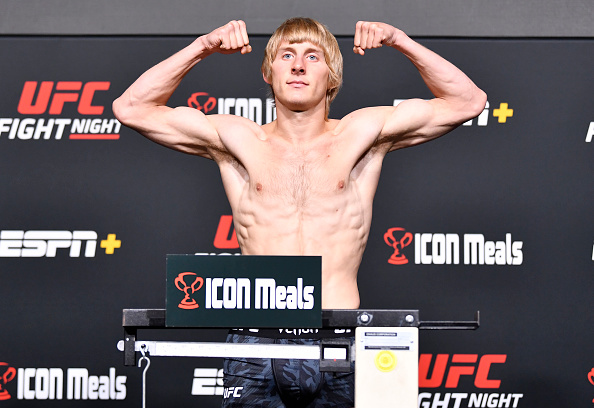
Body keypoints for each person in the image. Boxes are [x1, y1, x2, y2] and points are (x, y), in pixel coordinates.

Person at [113, 17, 486, 408]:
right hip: (257, 335)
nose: (297, 66)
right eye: (286, 55)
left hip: (337, 333)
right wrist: (202, 46)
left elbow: (468, 101)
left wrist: (400, 40)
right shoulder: (238, 140)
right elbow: (132, 108)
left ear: (332, 77)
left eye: (313, 56)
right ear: (268, 71)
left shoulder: (362, 135)